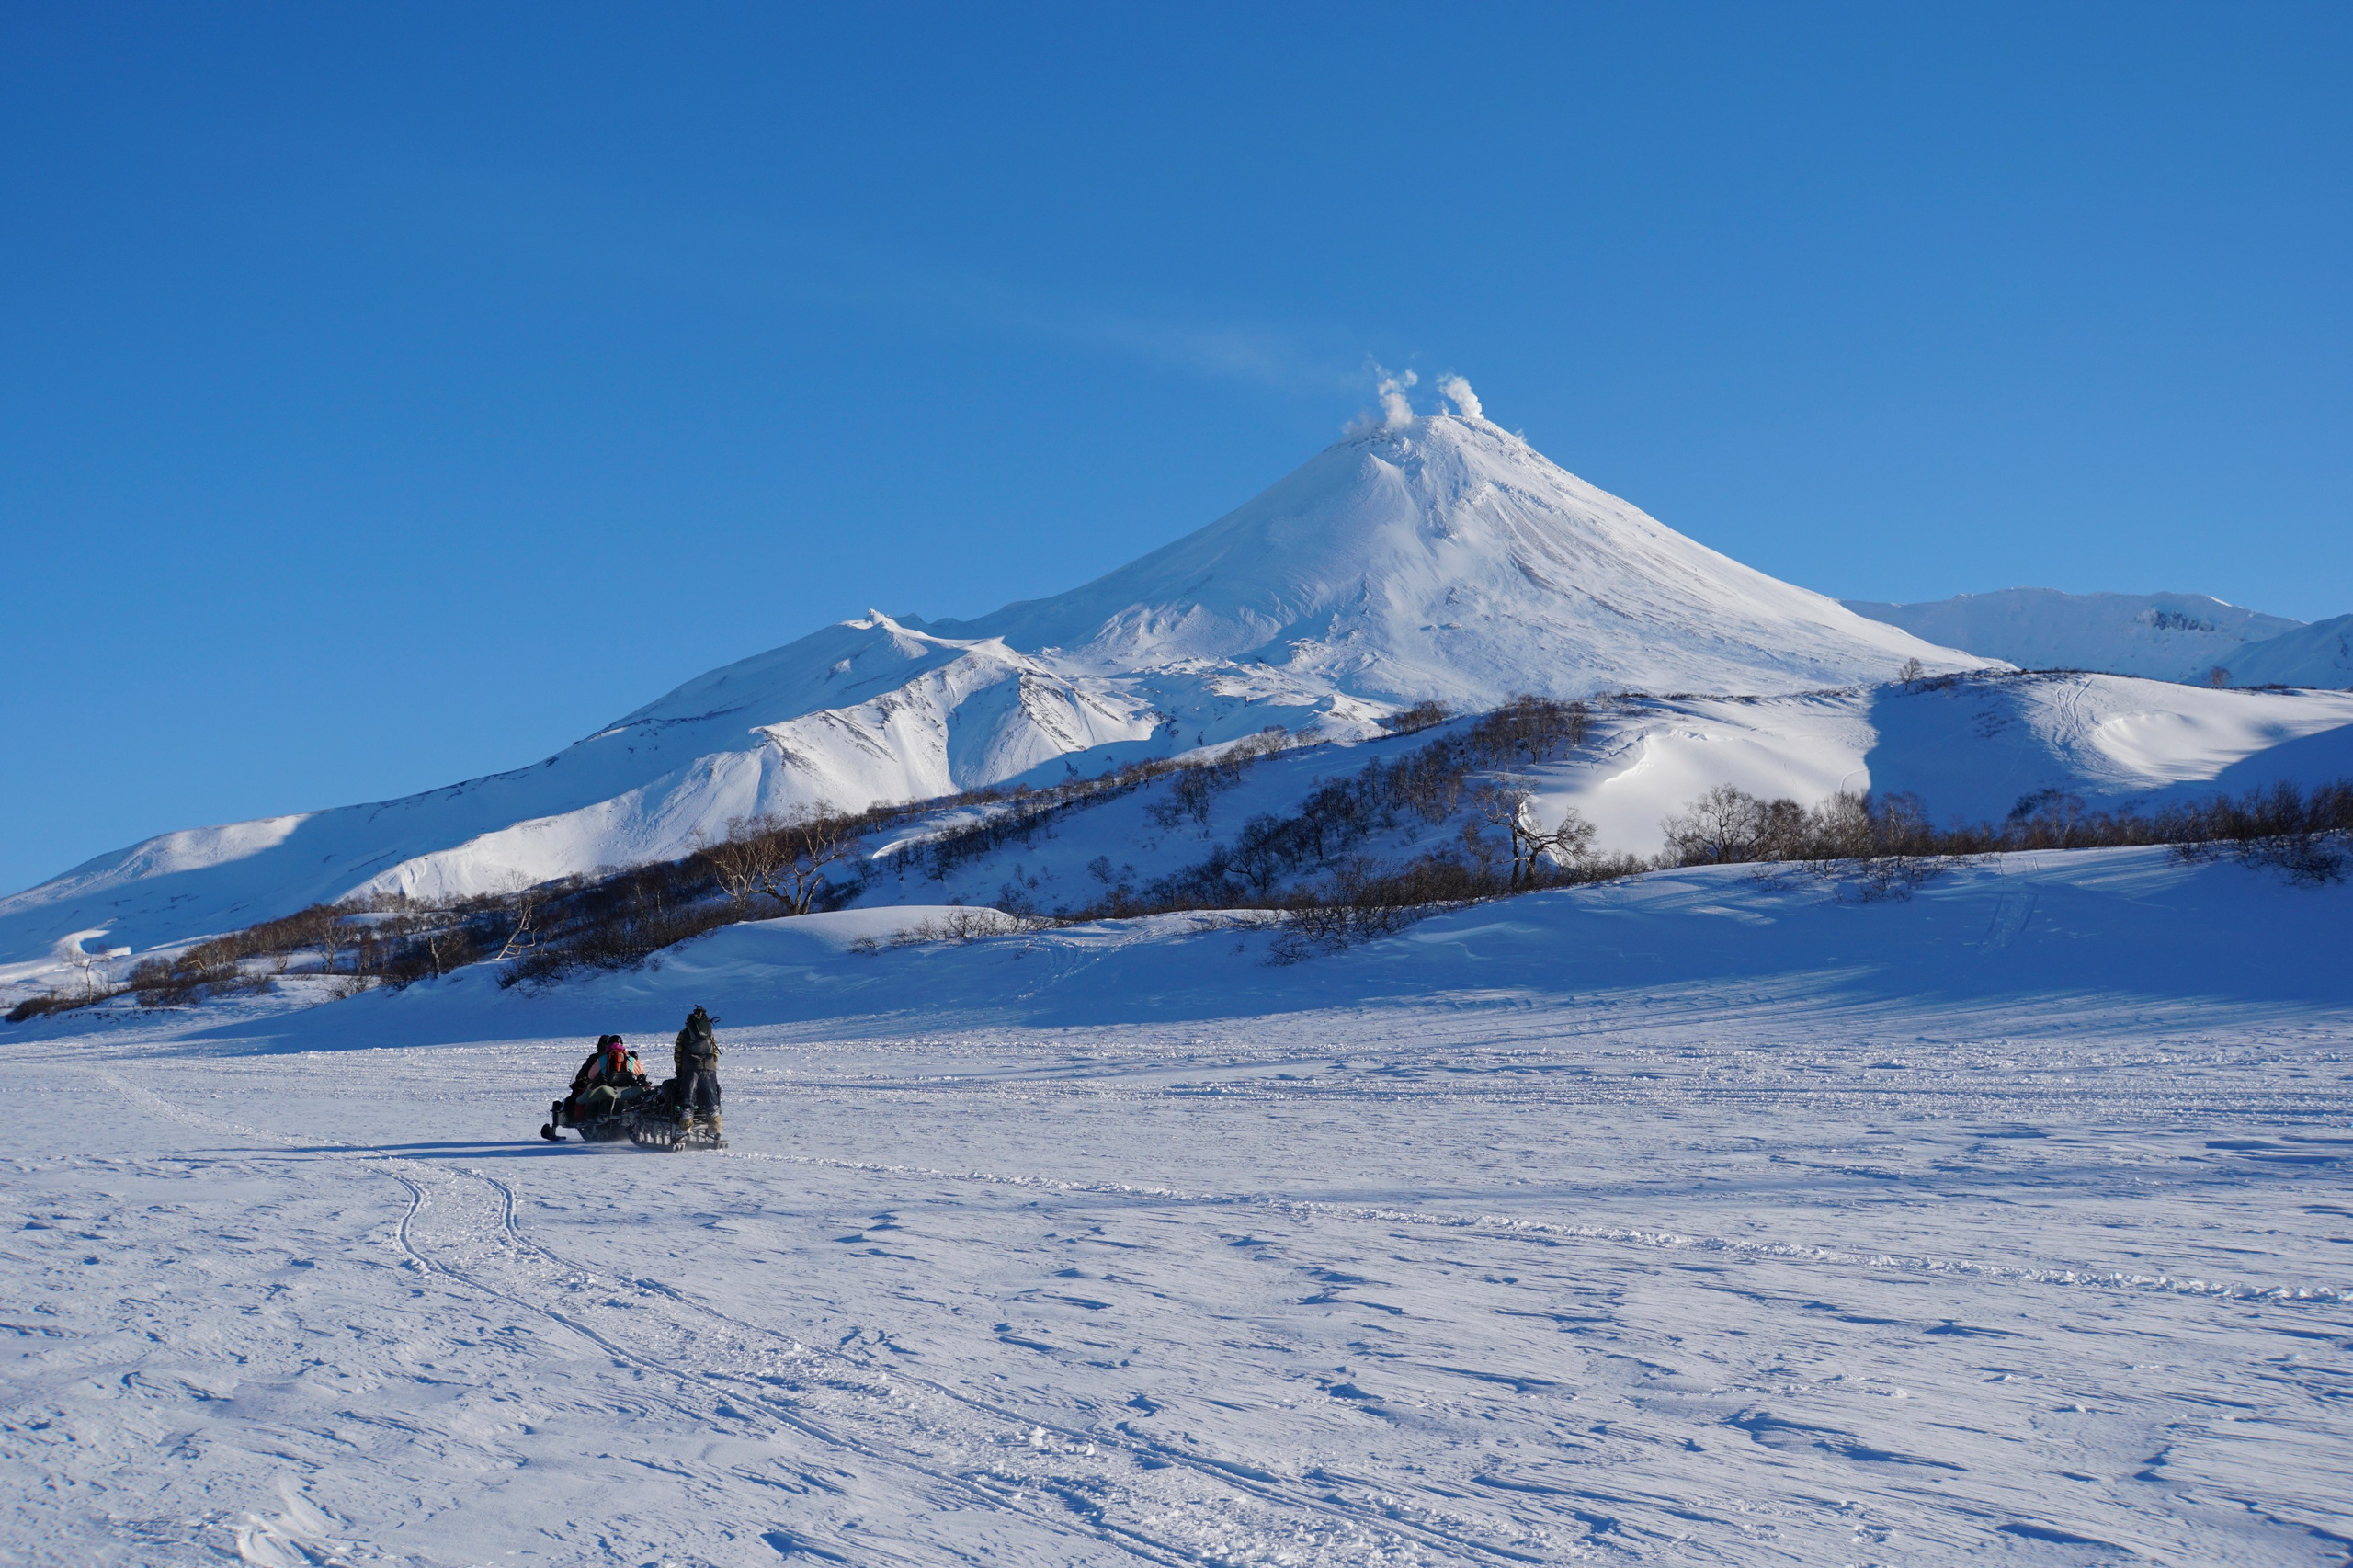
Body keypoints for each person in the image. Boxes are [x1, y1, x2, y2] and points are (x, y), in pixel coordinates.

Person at [568, 1035, 647, 1121]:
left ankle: (589, 1118)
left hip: (608, 1087)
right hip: (627, 1088)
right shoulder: (630, 1059)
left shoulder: (602, 1059)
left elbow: (591, 1075)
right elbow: (641, 1071)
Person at [673, 1005, 722, 1138]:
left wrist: (679, 1069)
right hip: (709, 1068)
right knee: (712, 1098)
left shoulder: (684, 1034)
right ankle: (716, 1128)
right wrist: (712, 1066)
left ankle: (685, 1128)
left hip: (691, 1067)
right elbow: (715, 1051)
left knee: (688, 1097)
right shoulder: (709, 1033)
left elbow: (678, 1052)